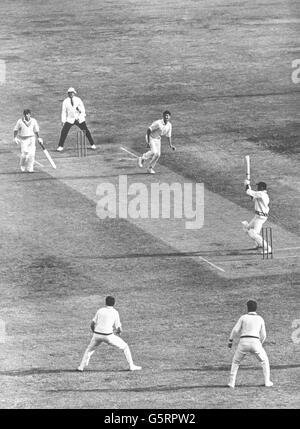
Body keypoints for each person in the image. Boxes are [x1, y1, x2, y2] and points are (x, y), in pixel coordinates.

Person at [77, 296, 141, 372]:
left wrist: (95, 333)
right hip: (108, 336)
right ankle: (131, 366)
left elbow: (92, 324)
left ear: (105, 302)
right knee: (125, 347)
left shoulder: (100, 310)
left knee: (89, 350)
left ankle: (81, 367)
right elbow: (119, 329)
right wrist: (118, 332)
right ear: (114, 303)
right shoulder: (115, 312)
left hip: (97, 335)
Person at [227, 300, 273, 388]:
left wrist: (230, 341)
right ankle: (267, 382)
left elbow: (235, 330)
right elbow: (264, 335)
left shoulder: (243, 317)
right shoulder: (260, 318)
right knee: (264, 361)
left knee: (236, 362)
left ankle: (231, 383)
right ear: (256, 308)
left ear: (247, 308)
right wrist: (260, 344)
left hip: (243, 341)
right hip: (256, 341)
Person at [56, 87, 96, 152]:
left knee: (86, 131)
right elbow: (63, 111)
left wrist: (80, 112)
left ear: (74, 93)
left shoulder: (78, 100)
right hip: (70, 119)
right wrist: (63, 121)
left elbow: (83, 110)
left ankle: (92, 144)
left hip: (79, 118)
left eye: (72, 93)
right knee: (64, 132)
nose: (71, 94)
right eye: (69, 93)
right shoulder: (65, 101)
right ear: (68, 94)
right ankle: (60, 146)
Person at [241, 180, 271, 254]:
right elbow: (252, 197)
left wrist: (247, 185)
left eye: (258, 186)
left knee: (253, 234)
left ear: (262, 187)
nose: (257, 187)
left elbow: (248, 191)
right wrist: (248, 186)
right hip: (257, 216)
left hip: (260, 218)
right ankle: (258, 244)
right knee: (246, 228)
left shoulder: (262, 194)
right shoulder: (259, 194)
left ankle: (268, 248)